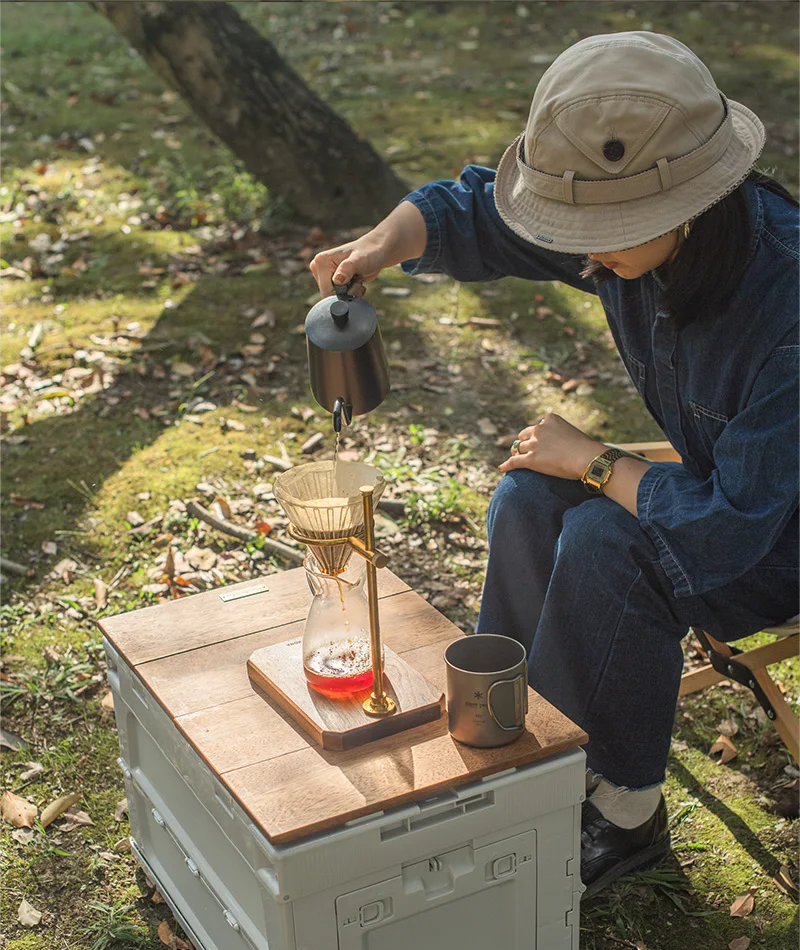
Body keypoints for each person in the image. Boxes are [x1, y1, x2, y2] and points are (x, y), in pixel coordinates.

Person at [310, 31, 799, 897]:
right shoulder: (634, 227)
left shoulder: (788, 304)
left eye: (600, 237)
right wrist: (381, 245)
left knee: (612, 546)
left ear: (682, 208)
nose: (583, 255)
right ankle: (520, 741)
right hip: (725, 494)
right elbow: (472, 213)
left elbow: (730, 528)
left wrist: (599, 459)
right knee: (533, 495)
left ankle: (623, 814)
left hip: (776, 535)